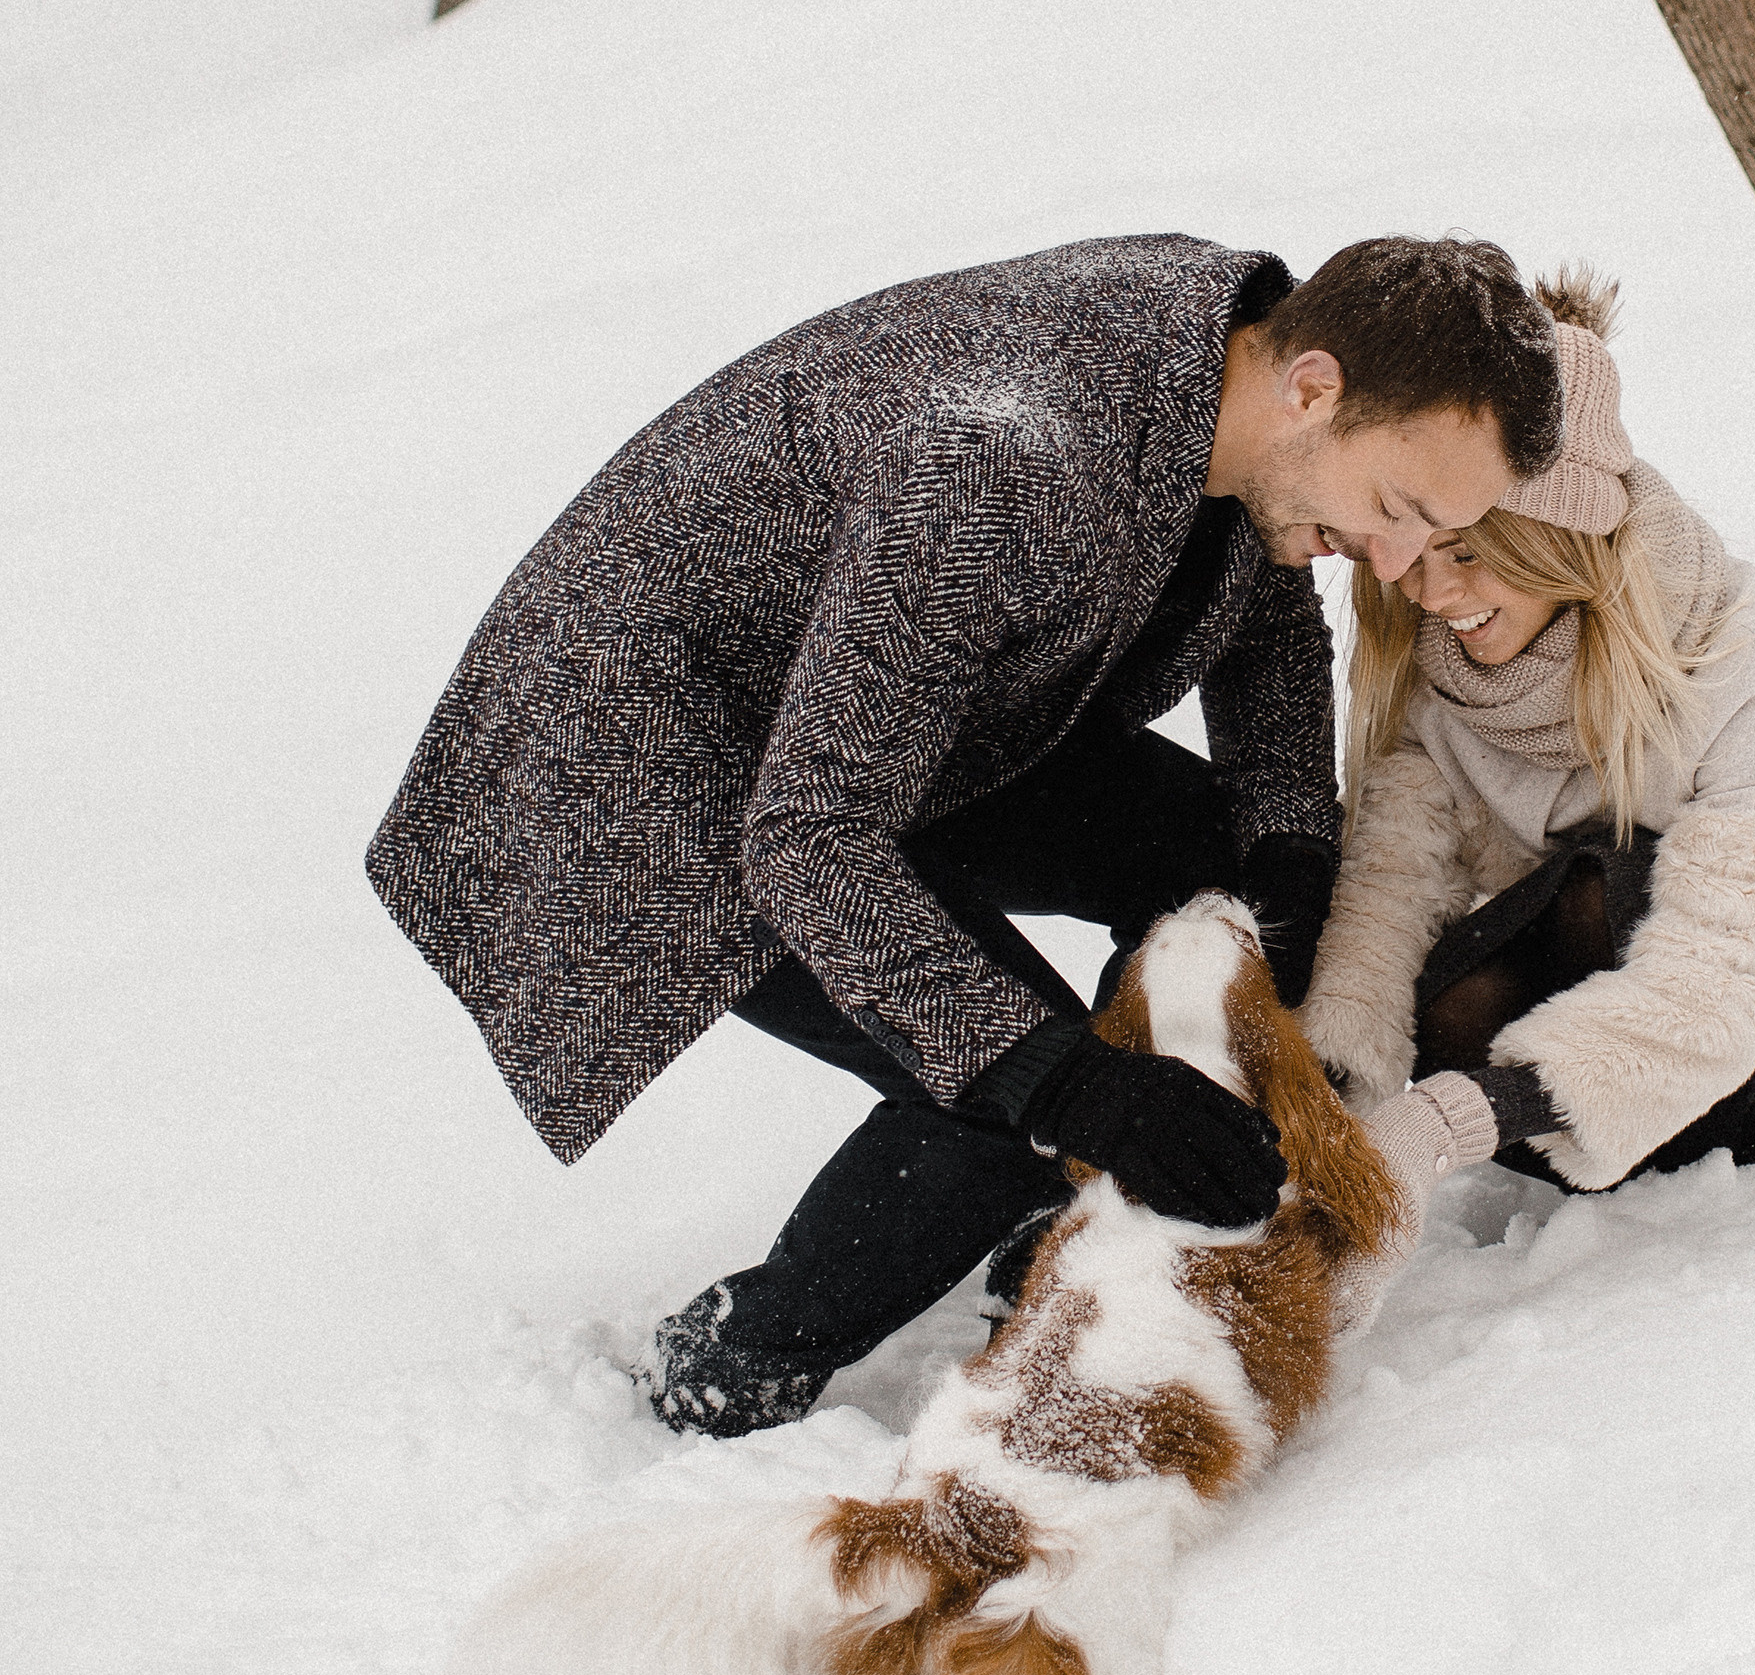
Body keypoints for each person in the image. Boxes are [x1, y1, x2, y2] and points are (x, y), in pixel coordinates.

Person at [367, 231, 1560, 1435]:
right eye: (1400, 511)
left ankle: (1068, 1240)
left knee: (1229, 886)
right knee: (998, 1081)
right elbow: (809, 839)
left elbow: (1263, 625)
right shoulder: (1002, 473)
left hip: (881, 719)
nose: (1404, 564)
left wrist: (1292, 851)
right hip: (643, 777)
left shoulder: (1234, 380)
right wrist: (1069, 1088)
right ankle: (730, 1368)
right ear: (1313, 385)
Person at [1301, 272, 1755, 1200]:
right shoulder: (1436, 682)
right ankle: (1594, 1117)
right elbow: (1386, 896)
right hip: (1619, 1046)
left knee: (1601, 887)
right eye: (1413, 559)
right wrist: (1328, 1093)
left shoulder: (1737, 657)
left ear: (1557, 542)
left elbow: (1728, 975)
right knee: (1444, 995)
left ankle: (1579, 1111)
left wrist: (1459, 1117)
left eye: (1467, 554)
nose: (1432, 594)